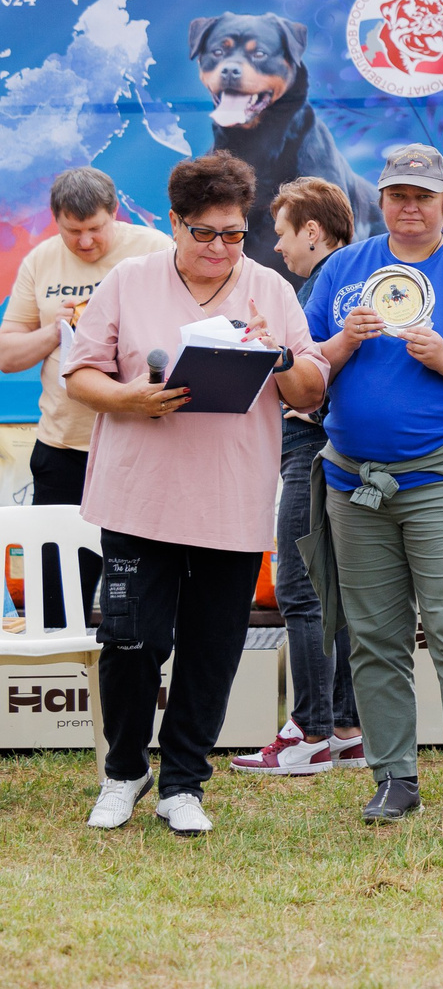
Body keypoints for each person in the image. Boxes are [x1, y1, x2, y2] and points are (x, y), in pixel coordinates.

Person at [65, 152, 328, 835]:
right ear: (175, 223)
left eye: (233, 233)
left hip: (230, 499)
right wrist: (134, 397)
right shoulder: (128, 280)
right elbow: (80, 375)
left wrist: (281, 356)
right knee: (131, 640)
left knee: (213, 647)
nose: (219, 248)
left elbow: (309, 390)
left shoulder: (269, 288)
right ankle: (124, 770)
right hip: (137, 497)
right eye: (204, 232)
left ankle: (184, 781)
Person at [298, 145, 443, 829]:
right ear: (381, 199)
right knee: (374, 636)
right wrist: (343, 340)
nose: (409, 206)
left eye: (423, 195)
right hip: (352, 482)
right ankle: (394, 776)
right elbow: (307, 373)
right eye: (398, 193)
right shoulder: (343, 270)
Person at [230, 178, 365, 776]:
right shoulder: (345, 282)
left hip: (312, 445)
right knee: (335, 594)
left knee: (300, 590)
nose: (277, 248)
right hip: (335, 450)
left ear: (313, 230)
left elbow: (319, 368)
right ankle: (345, 728)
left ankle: (310, 731)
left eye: (283, 234)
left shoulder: (323, 287)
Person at [0, 167, 172, 631]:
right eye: (72, 232)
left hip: (139, 448)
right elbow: (6, 355)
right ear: (55, 221)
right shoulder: (41, 260)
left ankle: (139, 685)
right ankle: (59, 690)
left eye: (95, 228)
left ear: (114, 213)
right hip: (63, 450)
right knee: (53, 597)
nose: (85, 242)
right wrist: (51, 331)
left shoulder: (155, 250)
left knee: (139, 591)